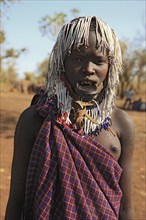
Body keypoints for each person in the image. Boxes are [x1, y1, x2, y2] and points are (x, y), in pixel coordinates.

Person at [5, 16, 135, 220]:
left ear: (111, 66)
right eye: (77, 59)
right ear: (61, 63)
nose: (89, 69)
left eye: (99, 60)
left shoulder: (121, 123)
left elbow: (126, 208)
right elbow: (17, 200)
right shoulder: (35, 119)